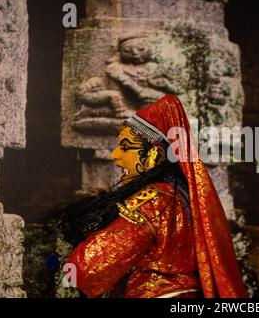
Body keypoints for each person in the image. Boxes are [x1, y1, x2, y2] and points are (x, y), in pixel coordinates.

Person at [58, 94, 247, 298]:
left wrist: (70, 263)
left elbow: (94, 263)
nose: (115, 156)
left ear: (154, 154)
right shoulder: (183, 196)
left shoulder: (152, 199)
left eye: (125, 147)